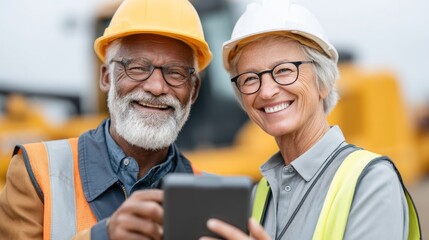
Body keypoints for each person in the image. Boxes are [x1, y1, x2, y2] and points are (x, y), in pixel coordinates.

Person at [200, 0, 421, 239]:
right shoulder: (260, 194)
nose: (266, 91)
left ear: (323, 82)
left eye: (284, 70)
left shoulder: (371, 181)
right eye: (251, 78)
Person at [0, 0, 212, 239]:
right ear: (106, 78)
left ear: (193, 91)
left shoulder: (210, 196)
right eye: (137, 67)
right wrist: (102, 236)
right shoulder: (36, 172)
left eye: (175, 72)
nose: (156, 87)